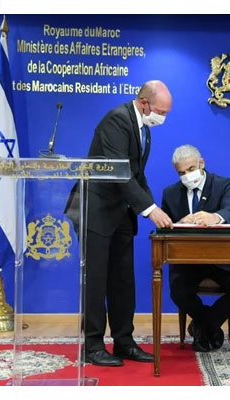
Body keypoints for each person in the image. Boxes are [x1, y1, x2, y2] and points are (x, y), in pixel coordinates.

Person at [64, 80, 173, 366]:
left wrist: (154, 207)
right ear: (145, 103)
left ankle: (124, 342)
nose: (163, 118)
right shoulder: (117, 120)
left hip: (121, 212)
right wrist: (150, 210)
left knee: (123, 281)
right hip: (96, 210)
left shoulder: (143, 128)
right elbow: (118, 172)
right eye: (161, 111)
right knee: (96, 281)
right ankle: (93, 346)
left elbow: (137, 175)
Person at [161, 145, 230, 352]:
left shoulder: (223, 184)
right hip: (188, 262)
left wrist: (215, 217)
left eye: (191, 169)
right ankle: (208, 326)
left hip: (223, 259)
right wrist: (179, 223)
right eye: (181, 173)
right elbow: (166, 228)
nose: (187, 176)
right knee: (178, 291)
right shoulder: (170, 193)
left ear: (202, 163)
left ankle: (202, 325)